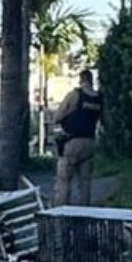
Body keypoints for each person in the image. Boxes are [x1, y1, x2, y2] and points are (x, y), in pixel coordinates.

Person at [53, 69, 104, 206]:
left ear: (81, 80)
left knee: (64, 180)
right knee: (85, 182)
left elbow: (57, 117)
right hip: (90, 142)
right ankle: (84, 213)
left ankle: (61, 211)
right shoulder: (99, 98)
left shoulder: (75, 95)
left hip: (72, 142)